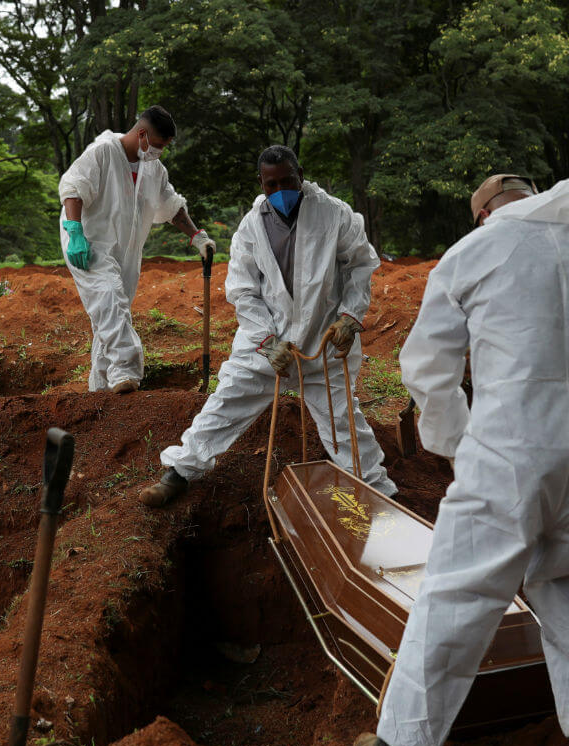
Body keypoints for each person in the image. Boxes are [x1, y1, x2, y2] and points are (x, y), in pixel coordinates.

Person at [352, 175, 569, 746]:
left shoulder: (474, 253)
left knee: (460, 591)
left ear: (484, 214)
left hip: (510, 454)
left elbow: (428, 367)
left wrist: (456, 445)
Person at [138, 144, 398, 506]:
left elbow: (360, 266)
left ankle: (378, 493)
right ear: (260, 183)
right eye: (271, 184)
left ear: (301, 176)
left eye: (287, 181)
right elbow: (243, 291)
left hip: (323, 345)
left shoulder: (334, 214)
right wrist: (267, 341)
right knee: (225, 402)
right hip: (267, 347)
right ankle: (179, 473)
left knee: (345, 424)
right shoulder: (249, 228)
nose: (280, 192)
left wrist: (350, 318)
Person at [59, 106, 217, 393]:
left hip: (126, 251)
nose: (159, 152)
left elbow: (170, 205)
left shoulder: (154, 168)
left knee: (110, 312)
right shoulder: (104, 153)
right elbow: (73, 188)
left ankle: (101, 390)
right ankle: (126, 371)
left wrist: (197, 236)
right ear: (142, 134)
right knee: (109, 298)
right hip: (89, 242)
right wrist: (75, 231)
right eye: (157, 146)